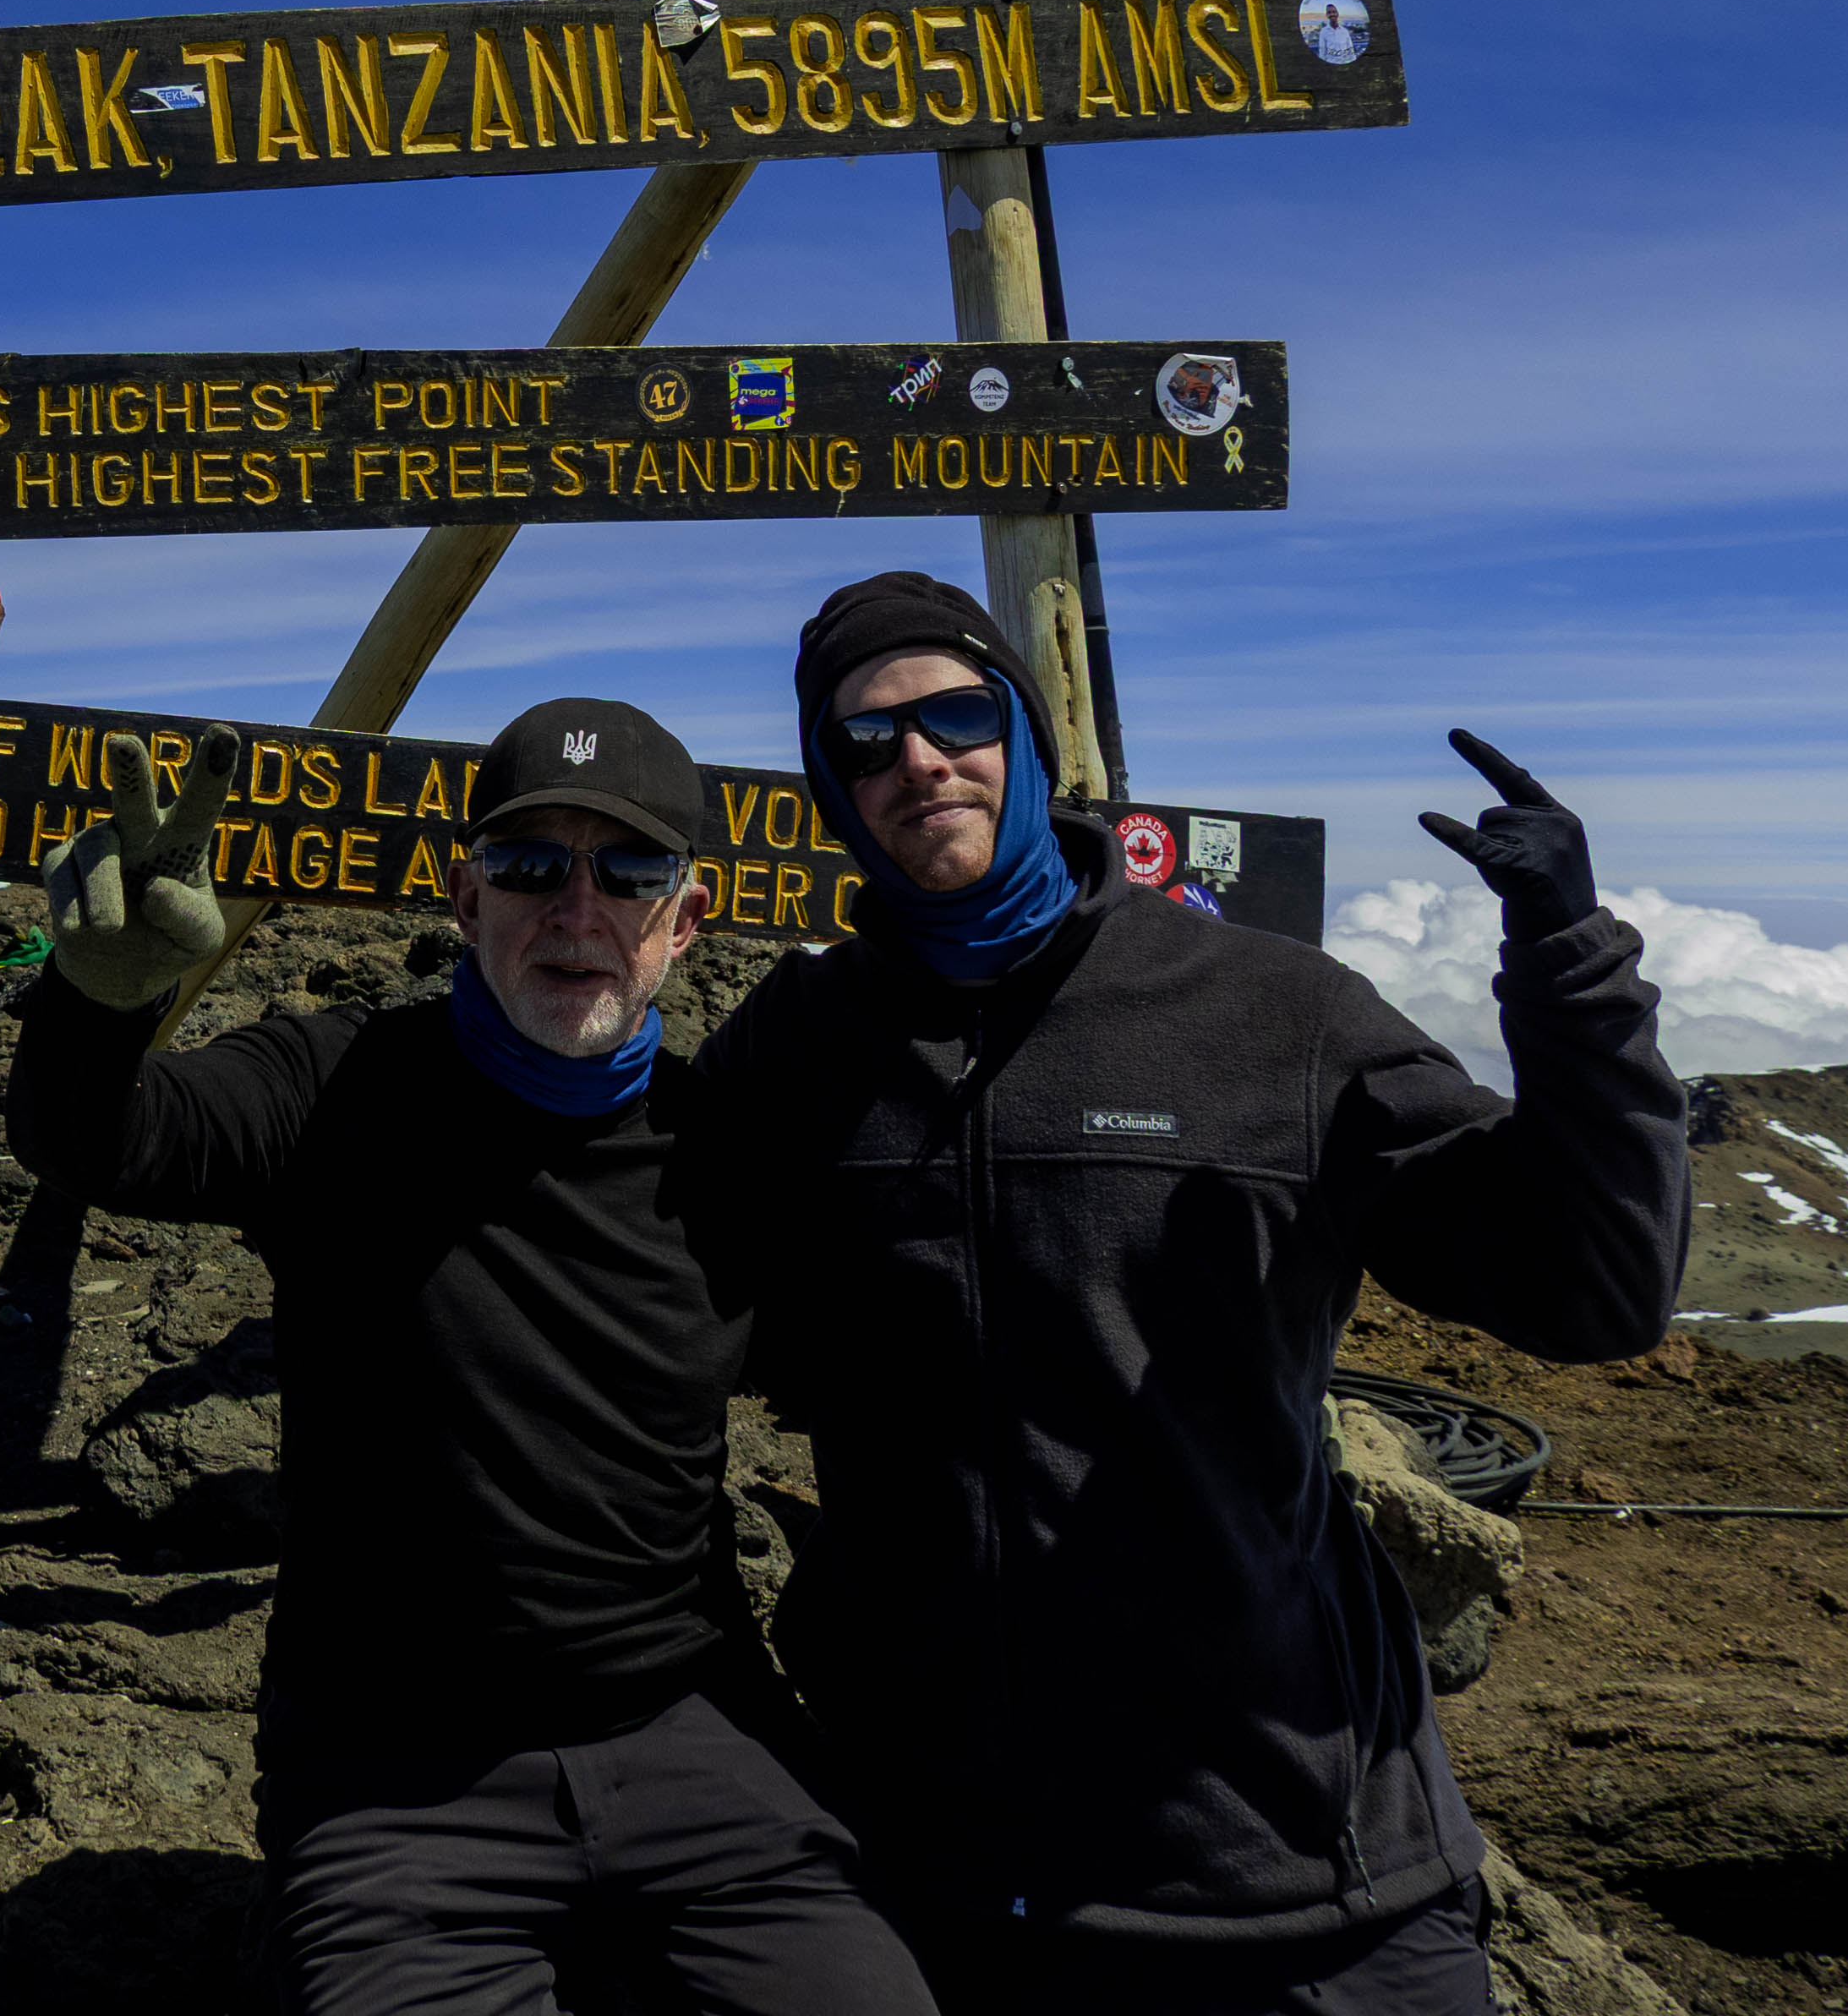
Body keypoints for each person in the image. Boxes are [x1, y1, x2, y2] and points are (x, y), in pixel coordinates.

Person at [694, 573, 1689, 2016]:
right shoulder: (792, 1050)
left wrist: (1571, 972)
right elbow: (642, 1280)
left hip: (1307, 1882)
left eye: (954, 714)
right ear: (831, 788)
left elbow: (1592, 1286)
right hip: (954, 1892)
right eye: (862, 740)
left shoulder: (1273, 1013)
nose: (916, 759)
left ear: (1026, 738)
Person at [14, 702, 932, 2016]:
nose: (575, 909)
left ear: (688, 916)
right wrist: (98, 1002)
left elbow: (909, 1370)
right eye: (526, 865)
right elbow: (104, 1139)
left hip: (700, 1743)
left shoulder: (732, 1158)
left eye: (625, 871)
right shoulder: (332, 1086)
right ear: (463, 896)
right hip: (394, 1780)